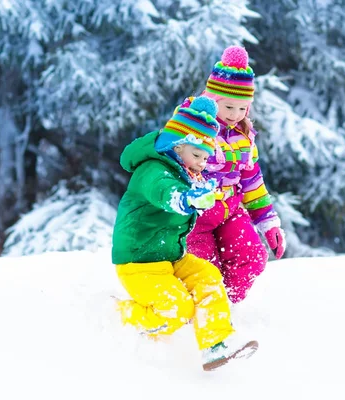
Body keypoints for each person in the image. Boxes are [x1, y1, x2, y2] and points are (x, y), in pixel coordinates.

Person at [111, 96, 258, 371]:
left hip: (171, 257)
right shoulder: (153, 169)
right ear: (177, 146)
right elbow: (163, 191)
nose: (203, 163)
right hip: (138, 261)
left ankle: (215, 345)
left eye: (205, 157)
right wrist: (185, 199)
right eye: (198, 155)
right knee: (177, 309)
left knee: (208, 277)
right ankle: (119, 315)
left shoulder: (186, 172)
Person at [182, 45, 286, 304]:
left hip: (230, 209)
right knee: (205, 269)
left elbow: (252, 182)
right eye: (229, 107)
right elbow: (171, 166)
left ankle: (226, 306)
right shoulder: (192, 131)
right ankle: (198, 313)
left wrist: (268, 222)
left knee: (251, 256)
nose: (234, 115)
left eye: (243, 109)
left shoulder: (244, 138)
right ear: (212, 99)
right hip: (196, 216)